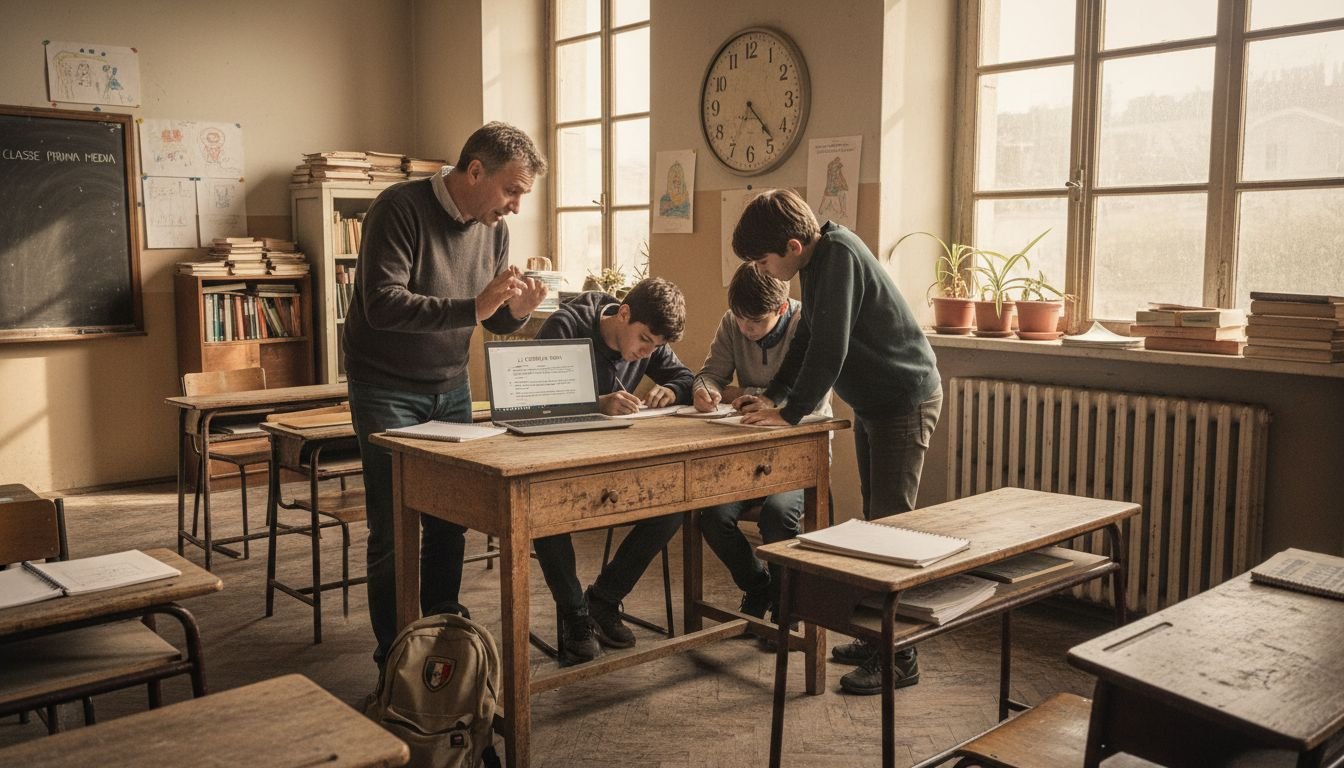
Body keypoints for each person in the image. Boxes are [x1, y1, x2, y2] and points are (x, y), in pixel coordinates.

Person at [343, 122, 549, 667]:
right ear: (475, 170)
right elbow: (381, 303)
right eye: (512, 191)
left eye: (522, 196)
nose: (515, 207)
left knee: (448, 519)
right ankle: (395, 657)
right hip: (386, 387)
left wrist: (515, 314)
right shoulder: (398, 208)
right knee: (392, 527)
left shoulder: (493, 226)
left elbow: (491, 318)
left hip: (451, 386)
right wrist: (474, 310)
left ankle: (441, 629)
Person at [730, 188, 942, 695]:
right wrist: (776, 396)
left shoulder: (840, 255)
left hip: (904, 400)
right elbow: (807, 337)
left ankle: (901, 658)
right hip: (876, 404)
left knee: (894, 531)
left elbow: (831, 349)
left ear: (792, 245)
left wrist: (791, 416)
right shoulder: (818, 260)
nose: (762, 270)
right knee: (877, 523)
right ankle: (878, 640)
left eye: (763, 260)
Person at [532, 277, 694, 666]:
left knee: (674, 503)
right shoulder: (564, 328)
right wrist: (596, 404)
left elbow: (686, 378)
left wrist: (672, 390)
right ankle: (575, 616)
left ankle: (603, 601)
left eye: (655, 348)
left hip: (615, 461)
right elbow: (531, 400)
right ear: (624, 313)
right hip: (557, 460)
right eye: (643, 341)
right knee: (542, 512)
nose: (644, 353)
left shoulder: (646, 341)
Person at [693, 263, 830, 629]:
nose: (744, 328)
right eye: (738, 318)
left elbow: (810, 402)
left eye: (754, 321)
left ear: (782, 310)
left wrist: (744, 392)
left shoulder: (808, 324)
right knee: (712, 516)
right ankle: (760, 587)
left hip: (798, 452)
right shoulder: (732, 322)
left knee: (777, 514)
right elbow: (711, 374)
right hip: (745, 452)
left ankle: (789, 605)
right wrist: (705, 390)